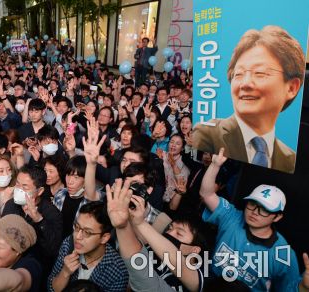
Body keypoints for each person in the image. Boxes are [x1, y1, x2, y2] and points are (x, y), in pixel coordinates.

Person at [192, 25, 305, 173]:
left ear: (291, 87)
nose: (245, 84)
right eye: (238, 74)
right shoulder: (207, 134)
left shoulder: (289, 158)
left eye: (260, 73)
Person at [200, 148, 304, 291]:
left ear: (277, 216)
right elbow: (207, 194)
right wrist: (215, 165)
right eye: (252, 204)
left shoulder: (283, 254)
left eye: (264, 209)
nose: (255, 212)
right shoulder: (233, 216)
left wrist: (303, 287)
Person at [107, 179, 206, 292]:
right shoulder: (152, 251)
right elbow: (135, 265)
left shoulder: (201, 276)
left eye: (179, 233)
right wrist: (124, 221)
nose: (169, 233)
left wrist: (140, 223)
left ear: (194, 249)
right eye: (170, 228)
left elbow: (180, 265)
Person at [49, 201, 128, 292]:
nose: (77, 237)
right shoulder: (68, 245)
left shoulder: (118, 271)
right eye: (77, 227)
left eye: (87, 232)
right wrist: (65, 272)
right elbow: (51, 288)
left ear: (104, 238)